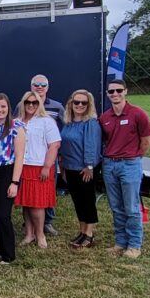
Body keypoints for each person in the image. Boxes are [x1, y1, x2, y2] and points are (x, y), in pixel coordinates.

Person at [100, 79, 150, 258]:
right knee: (116, 206)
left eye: (118, 90)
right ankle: (120, 242)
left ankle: (135, 245)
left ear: (126, 91)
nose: (115, 94)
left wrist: (134, 156)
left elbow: (147, 141)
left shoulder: (138, 114)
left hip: (130, 163)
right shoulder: (105, 117)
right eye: (111, 91)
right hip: (110, 164)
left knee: (131, 206)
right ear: (107, 94)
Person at [0, 94, 26, 264]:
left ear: (8, 108)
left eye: (3, 107)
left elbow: (20, 156)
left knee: (3, 214)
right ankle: (1, 250)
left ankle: (9, 254)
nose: (0, 110)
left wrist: (14, 182)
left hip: (7, 172)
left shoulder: (17, 127)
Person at [16, 91, 61, 249]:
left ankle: (40, 234)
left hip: (39, 167)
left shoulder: (46, 121)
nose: (30, 105)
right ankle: (29, 234)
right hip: (21, 167)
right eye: (27, 102)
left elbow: (54, 145)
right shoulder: (17, 122)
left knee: (37, 204)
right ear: (23, 103)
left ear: (39, 104)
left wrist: (47, 167)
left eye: (34, 102)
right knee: (26, 203)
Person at [60, 89, 102, 249]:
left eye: (83, 102)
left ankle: (89, 234)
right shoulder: (69, 123)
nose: (79, 105)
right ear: (71, 104)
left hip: (85, 169)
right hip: (70, 168)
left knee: (87, 200)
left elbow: (92, 145)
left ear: (88, 105)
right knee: (78, 201)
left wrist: (89, 165)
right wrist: (62, 166)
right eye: (76, 102)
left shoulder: (90, 123)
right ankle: (82, 231)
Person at [30, 74, 65, 236]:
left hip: (49, 158)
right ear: (31, 86)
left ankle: (48, 222)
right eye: (36, 84)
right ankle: (30, 222)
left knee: (48, 189)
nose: (39, 86)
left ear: (47, 87)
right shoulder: (22, 105)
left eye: (43, 84)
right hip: (29, 158)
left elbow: (65, 131)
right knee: (30, 192)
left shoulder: (57, 107)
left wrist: (59, 154)